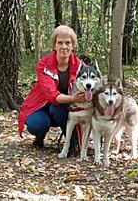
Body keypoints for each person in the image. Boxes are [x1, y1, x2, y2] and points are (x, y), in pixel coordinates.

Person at [18, 25, 87, 156]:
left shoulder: (80, 66)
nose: (64, 47)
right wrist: (73, 98)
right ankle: (40, 135)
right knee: (37, 125)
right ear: (54, 45)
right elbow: (52, 95)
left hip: (62, 108)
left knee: (59, 108)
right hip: (40, 106)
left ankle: (73, 144)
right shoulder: (43, 64)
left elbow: (92, 84)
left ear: (73, 45)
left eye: (68, 43)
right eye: (60, 42)